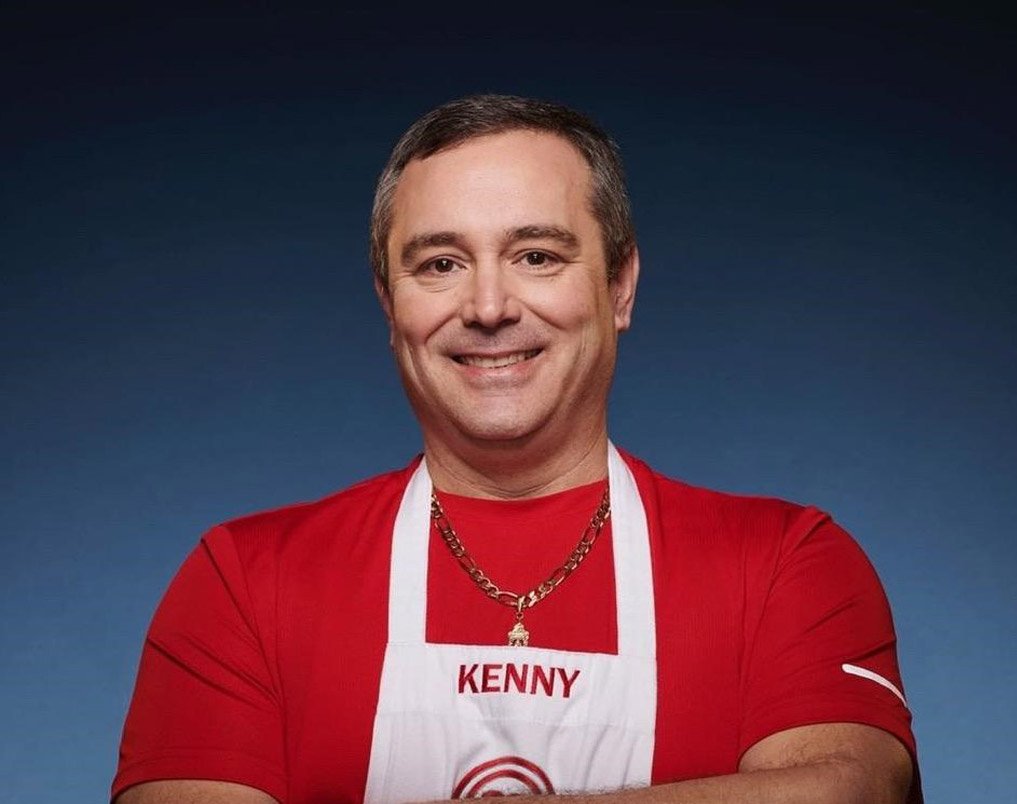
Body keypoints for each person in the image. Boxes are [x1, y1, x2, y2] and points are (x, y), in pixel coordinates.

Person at [113, 95, 921, 803]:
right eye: (441, 263)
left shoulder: (786, 563)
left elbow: (852, 791)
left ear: (620, 285)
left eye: (537, 256)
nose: (489, 306)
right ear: (389, 306)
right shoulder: (247, 582)